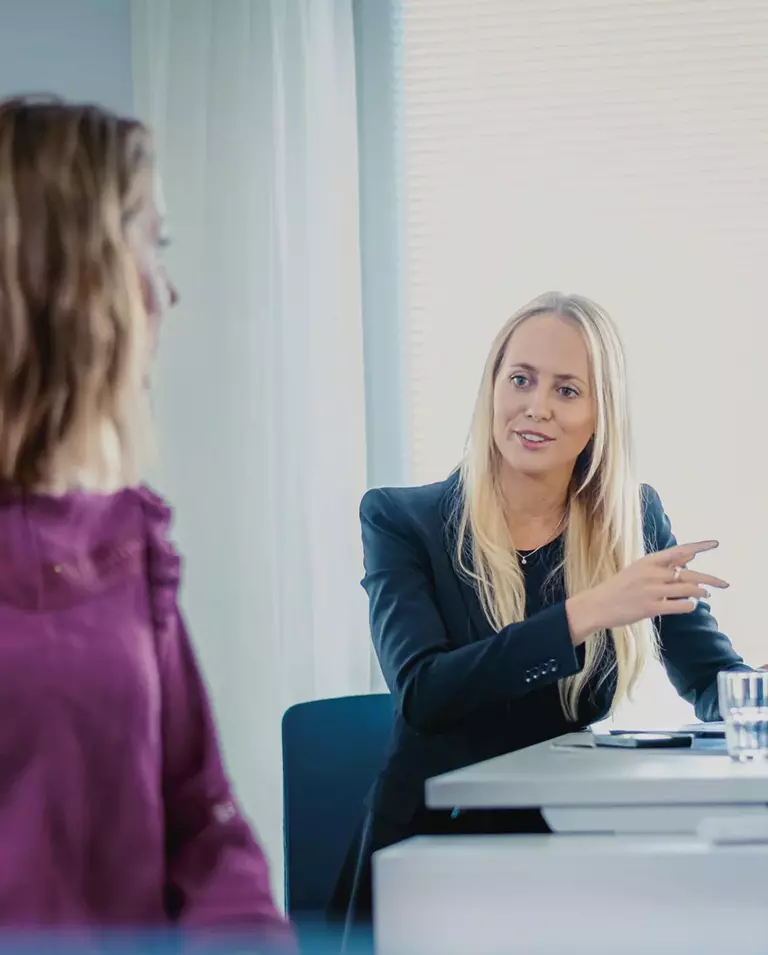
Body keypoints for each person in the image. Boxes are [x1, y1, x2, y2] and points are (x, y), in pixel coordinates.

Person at [329, 290, 751, 938]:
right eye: (521, 379)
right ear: (491, 387)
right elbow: (424, 693)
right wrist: (586, 611)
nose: (537, 407)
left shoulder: (631, 519)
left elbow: (712, 679)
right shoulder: (400, 518)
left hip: (566, 846)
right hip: (429, 853)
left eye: (567, 390)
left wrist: (758, 696)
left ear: (598, 415)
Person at [0, 95, 293, 947]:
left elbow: (201, 825)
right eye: (147, 243)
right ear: (61, 274)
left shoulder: (126, 539)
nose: (167, 287)